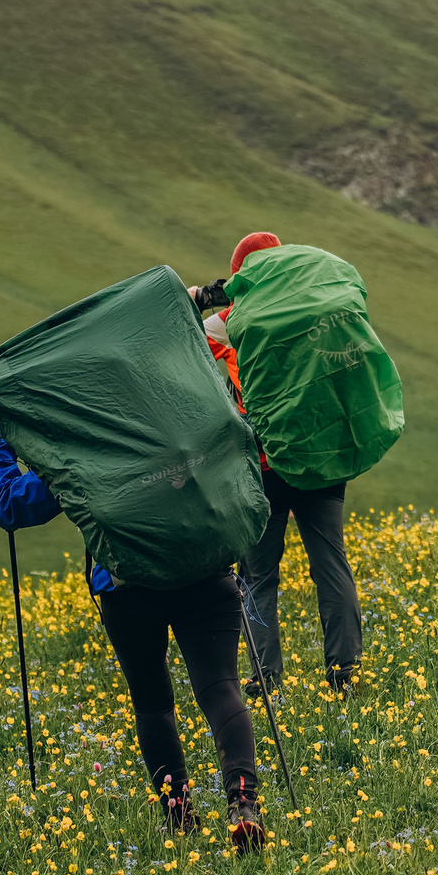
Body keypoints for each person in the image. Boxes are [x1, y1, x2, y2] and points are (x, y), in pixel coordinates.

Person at [0, 420, 264, 853]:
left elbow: (11, 508)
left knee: (152, 704)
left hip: (128, 586)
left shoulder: (82, 441)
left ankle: (178, 815)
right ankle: (243, 803)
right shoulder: (180, 413)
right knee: (221, 688)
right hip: (206, 569)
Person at [190, 232, 365, 698]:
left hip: (262, 466)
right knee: (331, 562)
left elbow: (181, 330)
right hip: (320, 458)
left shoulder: (228, 324)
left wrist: (206, 294)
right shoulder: (315, 315)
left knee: (258, 575)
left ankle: (265, 678)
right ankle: (345, 671)